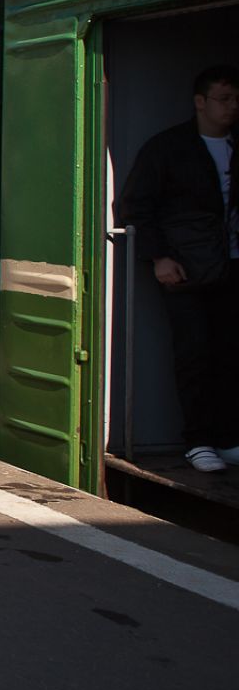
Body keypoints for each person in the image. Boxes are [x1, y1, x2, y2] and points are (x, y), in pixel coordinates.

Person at [119, 65, 239, 473]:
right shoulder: (169, 148)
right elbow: (136, 206)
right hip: (187, 269)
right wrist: (159, 258)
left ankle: (226, 438)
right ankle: (198, 440)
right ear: (200, 102)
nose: (232, 107)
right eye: (224, 99)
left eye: (235, 99)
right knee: (195, 354)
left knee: (229, 354)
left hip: (231, 265)